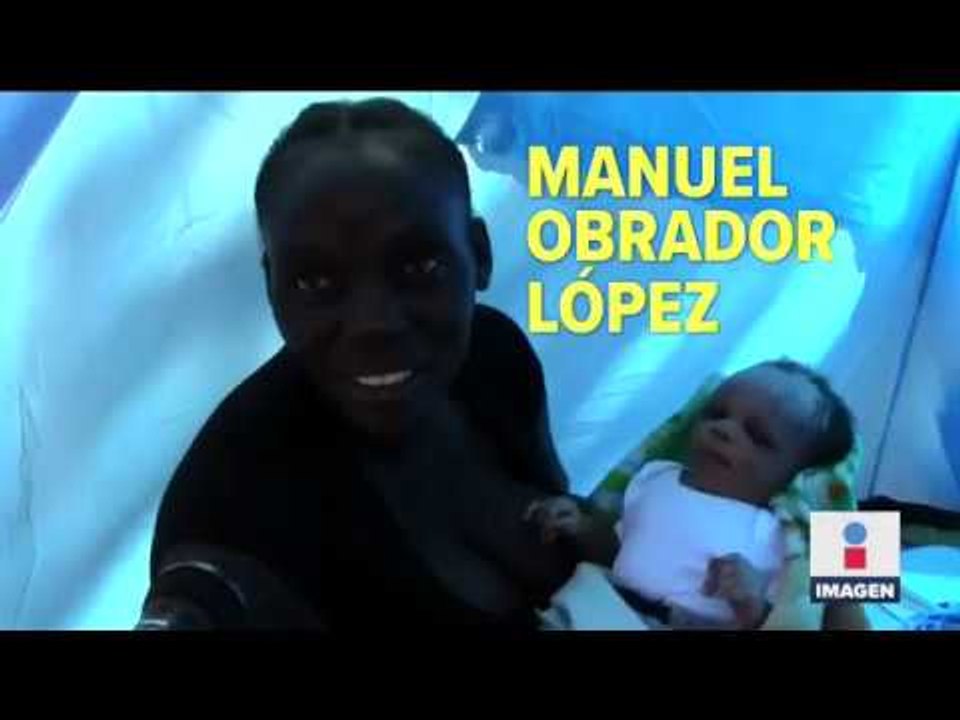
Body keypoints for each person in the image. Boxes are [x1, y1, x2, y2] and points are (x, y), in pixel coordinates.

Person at [137, 98, 575, 629]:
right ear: (272, 288)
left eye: (420, 265)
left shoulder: (494, 355)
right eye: (315, 281)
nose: (374, 323)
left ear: (478, 255)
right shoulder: (229, 511)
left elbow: (564, 523)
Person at [526, 360, 870, 629]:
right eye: (716, 413)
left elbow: (793, 620)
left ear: (795, 476)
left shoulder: (785, 536)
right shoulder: (655, 477)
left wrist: (751, 604)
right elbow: (620, 551)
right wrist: (583, 527)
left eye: (758, 436)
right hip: (600, 610)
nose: (724, 429)